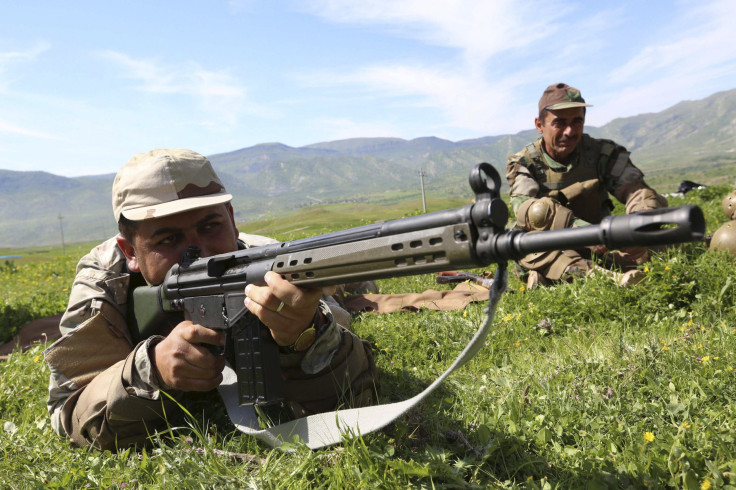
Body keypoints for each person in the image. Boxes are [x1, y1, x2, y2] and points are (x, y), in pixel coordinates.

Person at [44, 149, 378, 450]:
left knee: (339, 286)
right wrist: (151, 369)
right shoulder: (102, 280)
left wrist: (304, 333)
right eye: (169, 238)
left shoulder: (254, 260)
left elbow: (344, 344)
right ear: (130, 251)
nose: (201, 252)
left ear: (231, 219)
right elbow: (66, 412)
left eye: (210, 225)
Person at [505, 83, 668, 286]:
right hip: (553, 246)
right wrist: (585, 233)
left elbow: (636, 191)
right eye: (560, 123)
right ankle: (606, 278)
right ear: (539, 125)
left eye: (577, 122)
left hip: (603, 245)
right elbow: (527, 211)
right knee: (530, 244)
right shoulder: (524, 163)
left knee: (663, 240)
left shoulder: (603, 153)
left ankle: (552, 277)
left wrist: (637, 227)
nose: (570, 131)